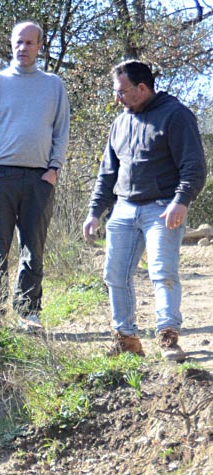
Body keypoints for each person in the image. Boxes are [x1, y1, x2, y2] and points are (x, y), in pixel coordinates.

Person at [82, 60, 207, 362]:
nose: (117, 99)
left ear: (142, 87)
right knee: (115, 275)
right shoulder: (120, 123)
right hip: (124, 209)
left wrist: (182, 200)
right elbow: (107, 173)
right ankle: (126, 339)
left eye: (122, 92)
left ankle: (168, 338)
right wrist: (94, 212)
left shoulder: (176, 116)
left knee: (162, 272)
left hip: (163, 207)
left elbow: (194, 166)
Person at [0, 21, 70, 331]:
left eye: (30, 42)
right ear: (11, 43)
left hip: (40, 178)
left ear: (39, 46)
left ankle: (28, 313)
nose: (23, 48)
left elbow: (61, 130)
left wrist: (53, 168)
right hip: (1, 177)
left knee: (33, 247)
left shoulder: (53, 85)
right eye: (19, 42)